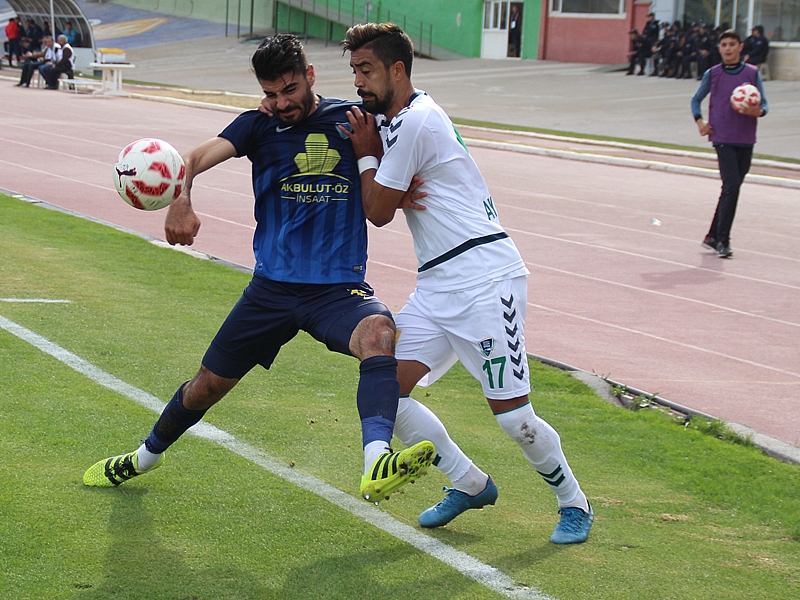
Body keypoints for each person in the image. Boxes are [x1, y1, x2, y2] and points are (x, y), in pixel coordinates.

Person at [83, 34, 435, 504]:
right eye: (271, 93)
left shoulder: (354, 120)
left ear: (310, 76)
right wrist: (179, 201)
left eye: (289, 90)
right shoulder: (255, 126)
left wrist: (403, 187)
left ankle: (376, 460)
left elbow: (403, 155)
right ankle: (144, 456)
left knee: (378, 333)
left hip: (335, 291)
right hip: (270, 291)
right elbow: (190, 159)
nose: (281, 102)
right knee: (204, 387)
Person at [341, 22, 594, 544]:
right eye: (354, 71)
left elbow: (378, 211)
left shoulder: (417, 121)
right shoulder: (394, 122)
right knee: (386, 386)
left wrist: (370, 160)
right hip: (436, 285)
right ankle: (469, 482)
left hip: (485, 279)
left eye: (366, 70)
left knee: (514, 419)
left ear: (397, 69)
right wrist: (377, 168)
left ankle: (575, 503)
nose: (359, 81)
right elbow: (379, 193)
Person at [691, 29, 768, 259]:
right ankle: (723, 240)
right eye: (723, 44)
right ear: (719, 48)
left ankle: (712, 235)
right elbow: (696, 99)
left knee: (731, 189)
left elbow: (765, 105)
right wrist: (700, 121)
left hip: (745, 138)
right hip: (722, 137)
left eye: (732, 44)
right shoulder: (713, 74)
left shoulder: (752, 73)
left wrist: (757, 110)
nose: (727, 48)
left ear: (740, 47)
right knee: (732, 185)